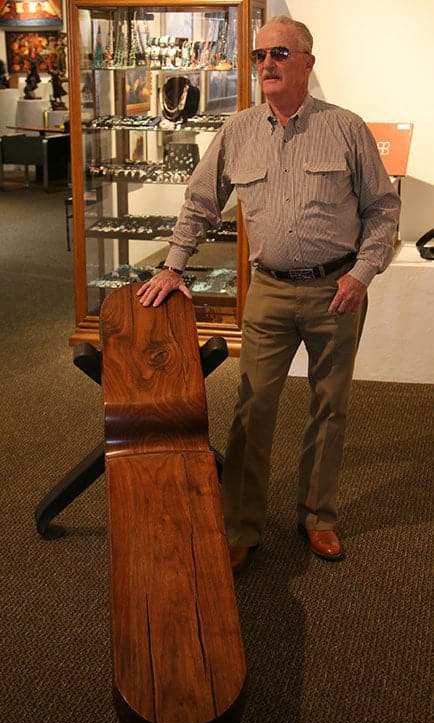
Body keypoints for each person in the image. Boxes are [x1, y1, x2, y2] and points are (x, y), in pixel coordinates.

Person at [137, 16, 401, 572]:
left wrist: (362, 273)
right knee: (252, 407)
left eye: (279, 53)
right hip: (270, 292)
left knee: (330, 407)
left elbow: (382, 209)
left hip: (337, 292)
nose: (267, 64)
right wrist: (173, 266)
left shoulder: (346, 128)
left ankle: (318, 517)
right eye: (259, 56)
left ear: (307, 62)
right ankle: (241, 525)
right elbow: (200, 202)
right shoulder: (237, 132)